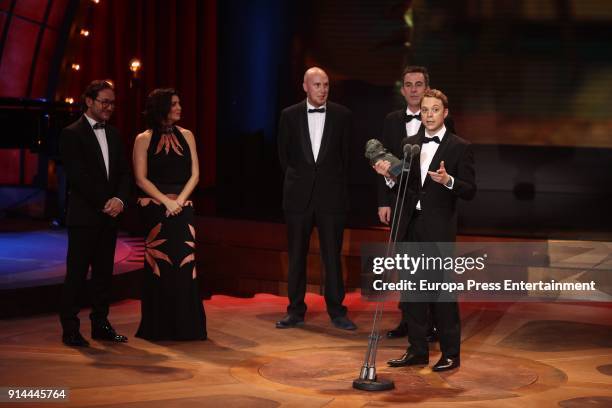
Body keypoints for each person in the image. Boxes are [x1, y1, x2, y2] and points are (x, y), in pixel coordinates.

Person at [374, 89, 476, 371]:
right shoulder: (408, 144)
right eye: (425, 110)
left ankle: (451, 353)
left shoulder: (459, 147)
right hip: (411, 226)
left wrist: (448, 180)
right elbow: (406, 189)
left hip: (438, 230)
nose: (429, 115)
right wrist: (390, 178)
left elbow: (470, 190)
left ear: (445, 113)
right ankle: (417, 350)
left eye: (435, 110)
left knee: (441, 294)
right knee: (413, 294)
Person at [377, 66, 455, 340]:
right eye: (408, 84)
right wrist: (384, 199)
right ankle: (410, 322)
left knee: (432, 269)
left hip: (432, 211)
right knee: (407, 267)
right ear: (402, 90)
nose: (412, 89)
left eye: (418, 84)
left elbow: (452, 168)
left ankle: (433, 324)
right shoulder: (391, 121)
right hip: (402, 204)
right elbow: (384, 162)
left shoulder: (442, 125)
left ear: (426, 89)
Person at [276, 67, 356, 331]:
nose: (323, 89)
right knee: (296, 256)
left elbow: (347, 158)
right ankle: (295, 311)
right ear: (305, 87)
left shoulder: (342, 115)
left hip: (331, 199)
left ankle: (337, 311)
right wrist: (301, 180)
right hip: (298, 198)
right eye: (318, 85)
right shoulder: (289, 116)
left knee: (332, 256)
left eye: (326, 85)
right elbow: (284, 157)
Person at [59, 79, 131, 347]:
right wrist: (106, 202)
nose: (109, 107)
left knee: (103, 275)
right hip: (85, 217)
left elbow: (124, 172)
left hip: (110, 216)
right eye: (105, 102)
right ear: (88, 101)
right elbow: (79, 177)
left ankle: (101, 324)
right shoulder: (71, 133)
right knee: (76, 275)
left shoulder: (113, 133)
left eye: (112, 103)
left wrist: (121, 200)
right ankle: (70, 328)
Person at [133, 88, 206, 340]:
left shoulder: (187, 135)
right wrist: (166, 202)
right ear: (162, 107)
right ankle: (159, 327)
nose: (179, 108)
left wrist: (180, 201)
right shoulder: (143, 138)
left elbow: (195, 174)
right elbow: (141, 179)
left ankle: (187, 327)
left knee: (185, 267)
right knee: (159, 267)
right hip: (155, 209)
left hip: (183, 209)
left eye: (179, 103)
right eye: (174, 104)